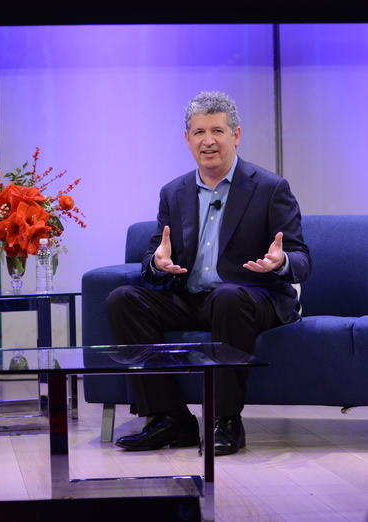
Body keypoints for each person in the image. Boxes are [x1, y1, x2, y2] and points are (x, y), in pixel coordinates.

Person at [107, 91, 310, 456]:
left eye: (217, 130)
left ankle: (226, 420)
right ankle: (169, 419)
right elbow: (154, 256)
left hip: (252, 296)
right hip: (193, 296)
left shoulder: (269, 188)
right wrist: (158, 263)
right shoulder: (174, 193)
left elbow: (301, 257)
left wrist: (280, 263)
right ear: (187, 139)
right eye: (199, 132)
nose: (208, 141)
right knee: (124, 299)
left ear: (236, 135)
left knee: (228, 296)